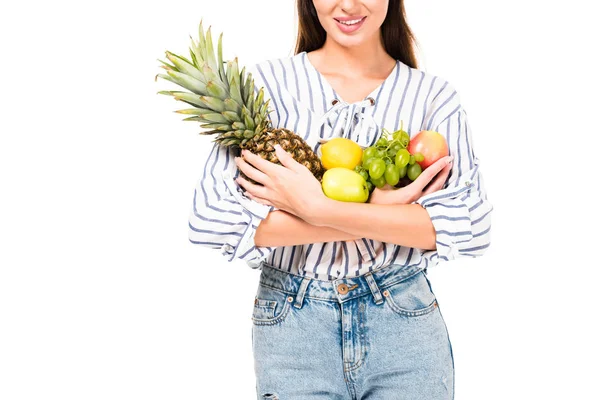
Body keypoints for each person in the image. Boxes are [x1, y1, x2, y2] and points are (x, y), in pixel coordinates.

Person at [188, 0, 493, 398]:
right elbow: (209, 220)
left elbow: (470, 227)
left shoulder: (431, 97)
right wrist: (383, 213)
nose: (348, 5)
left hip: (404, 325)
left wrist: (317, 209)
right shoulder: (267, 87)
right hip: (293, 331)